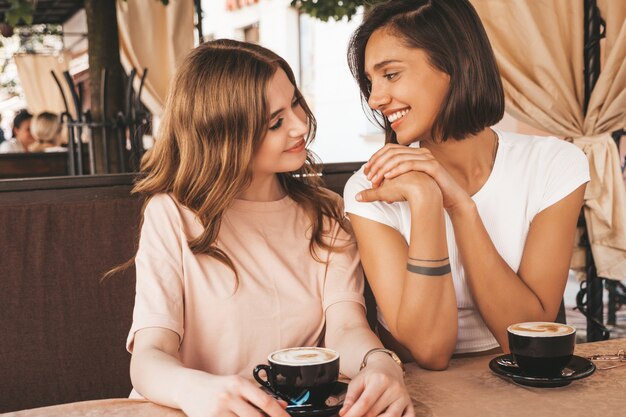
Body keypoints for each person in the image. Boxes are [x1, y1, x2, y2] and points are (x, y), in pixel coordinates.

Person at [123, 39, 413, 417]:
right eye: (275, 122)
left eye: (294, 103)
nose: (299, 126)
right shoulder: (172, 215)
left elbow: (346, 327)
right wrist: (199, 391)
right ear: (224, 135)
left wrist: (380, 363)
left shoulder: (325, 214)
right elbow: (150, 355)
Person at [343, 0, 590, 370]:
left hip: (523, 384)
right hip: (416, 388)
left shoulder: (554, 165)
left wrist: (460, 207)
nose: (375, 98)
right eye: (369, 81)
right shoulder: (370, 187)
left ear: (454, 67)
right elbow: (429, 351)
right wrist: (426, 200)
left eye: (390, 75)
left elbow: (528, 339)